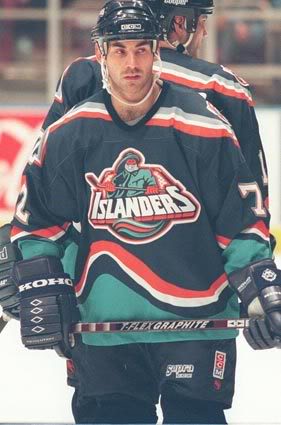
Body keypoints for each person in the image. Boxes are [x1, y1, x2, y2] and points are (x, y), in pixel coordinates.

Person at [8, 1, 281, 423]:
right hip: (101, 317)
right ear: (102, 54)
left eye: (140, 49)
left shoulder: (204, 125)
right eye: (119, 50)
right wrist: (43, 281)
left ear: (156, 49)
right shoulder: (73, 130)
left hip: (197, 315)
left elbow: (242, 219)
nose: (131, 61)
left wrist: (259, 290)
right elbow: (41, 211)